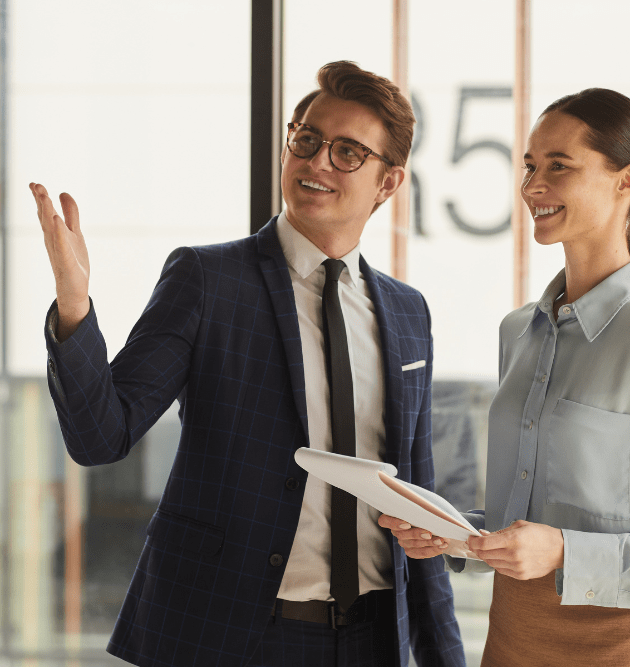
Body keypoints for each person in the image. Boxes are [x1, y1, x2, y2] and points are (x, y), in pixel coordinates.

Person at [32, 60, 466, 667]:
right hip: (231, 636)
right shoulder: (208, 280)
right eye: (306, 140)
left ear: (388, 183)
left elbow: (419, 505)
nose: (316, 162)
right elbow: (100, 437)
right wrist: (75, 307)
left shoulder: (407, 312)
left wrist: (445, 656)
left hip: (372, 640)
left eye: (346, 152)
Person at [381, 88, 630, 666]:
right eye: (529, 166)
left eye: (558, 166)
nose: (532, 186)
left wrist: (562, 553)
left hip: (619, 646)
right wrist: (455, 535)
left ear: (627, 179)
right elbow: (528, 519)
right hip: (511, 638)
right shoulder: (518, 333)